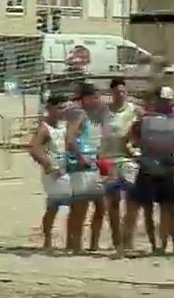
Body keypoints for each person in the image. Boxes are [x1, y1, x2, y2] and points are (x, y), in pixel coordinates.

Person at [122, 85, 174, 257]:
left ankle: (162, 245)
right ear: (157, 100)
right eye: (165, 100)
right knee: (148, 209)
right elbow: (128, 139)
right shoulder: (144, 119)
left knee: (167, 209)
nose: (168, 103)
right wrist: (134, 153)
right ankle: (154, 244)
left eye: (170, 100)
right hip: (148, 169)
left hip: (168, 170)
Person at [63, 85, 108, 254]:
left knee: (100, 205)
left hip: (94, 164)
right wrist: (81, 158)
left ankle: (93, 243)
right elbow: (69, 139)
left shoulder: (92, 116)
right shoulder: (78, 114)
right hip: (80, 165)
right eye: (95, 97)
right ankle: (75, 244)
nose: (98, 100)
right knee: (80, 207)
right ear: (86, 98)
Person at [101, 78, 140, 251]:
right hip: (109, 161)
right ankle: (117, 241)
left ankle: (128, 238)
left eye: (123, 91)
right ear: (112, 93)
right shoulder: (105, 112)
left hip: (128, 159)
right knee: (113, 203)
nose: (121, 94)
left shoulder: (133, 110)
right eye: (117, 92)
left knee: (132, 202)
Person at [28, 93, 71, 251]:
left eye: (65, 107)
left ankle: (70, 240)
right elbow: (34, 148)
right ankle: (47, 240)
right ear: (50, 109)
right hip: (53, 173)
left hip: (67, 169)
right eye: (59, 108)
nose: (63, 111)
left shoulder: (65, 125)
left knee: (74, 204)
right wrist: (47, 164)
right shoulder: (44, 127)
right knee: (53, 206)